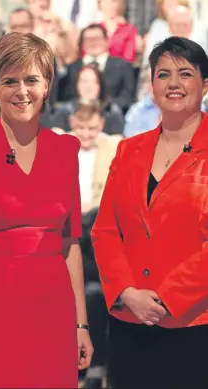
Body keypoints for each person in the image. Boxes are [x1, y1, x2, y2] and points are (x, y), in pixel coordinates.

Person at [0, 32, 93, 388]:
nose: (21, 91)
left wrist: (81, 325)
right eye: (9, 81)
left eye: (31, 80)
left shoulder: (66, 150)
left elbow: (71, 245)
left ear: (47, 85)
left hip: (53, 309)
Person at [91, 36, 208, 389]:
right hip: (129, 319)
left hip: (193, 324)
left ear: (205, 86)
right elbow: (105, 231)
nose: (173, 83)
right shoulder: (128, 150)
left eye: (185, 74)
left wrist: (165, 299)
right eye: (163, 74)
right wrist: (126, 290)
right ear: (151, 84)